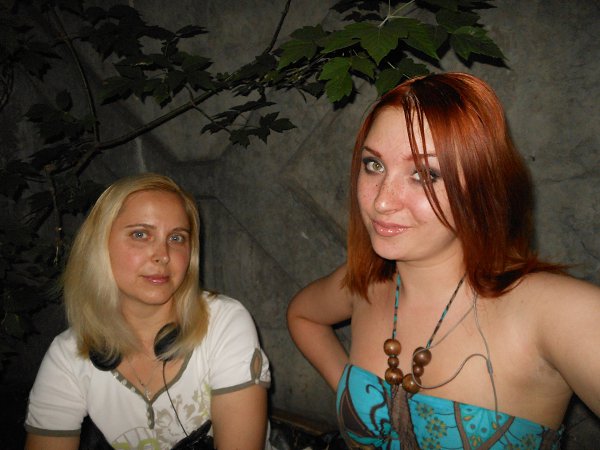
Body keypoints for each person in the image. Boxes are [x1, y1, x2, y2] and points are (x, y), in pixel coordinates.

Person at [287, 72, 600, 449]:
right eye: (374, 165)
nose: (382, 201)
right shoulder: (368, 283)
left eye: (424, 174)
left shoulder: (559, 314)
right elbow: (302, 316)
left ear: (482, 185)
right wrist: (352, 400)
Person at [25, 173, 271, 450]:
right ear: (99, 246)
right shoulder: (68, 355)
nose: (163, 255)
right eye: (140, 234)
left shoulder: (223, 322)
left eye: (176, 237)